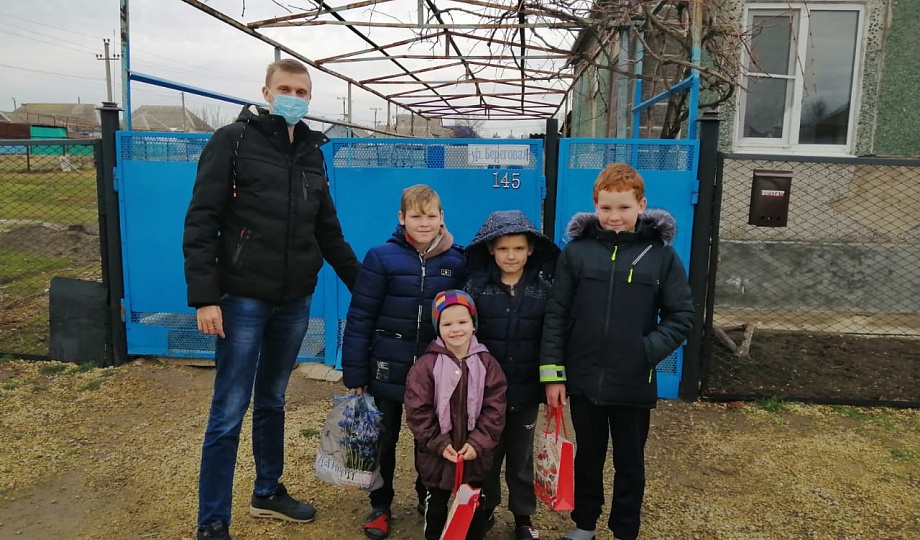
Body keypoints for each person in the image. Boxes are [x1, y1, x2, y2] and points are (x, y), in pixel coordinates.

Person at [183, 58, 360, 540]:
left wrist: (365, 286)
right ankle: (212, 522)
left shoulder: (312, 152)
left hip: (293, 300)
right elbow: (201, 220)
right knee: (228, 410)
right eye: (285, 89)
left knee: (273, 399)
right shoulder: (233, 141)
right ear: (266, 93)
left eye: (302, 92)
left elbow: (328, 230)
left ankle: (267, 491)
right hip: (241, 298)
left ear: (309, 97)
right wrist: (205, 297)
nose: (293, 98)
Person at [539, 163, 694, 540]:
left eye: (624, 207)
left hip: (633, 381)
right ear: (595, 205)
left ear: (641, 205)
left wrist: (645, 350)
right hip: (584, 379)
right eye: (606, 207)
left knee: (630, 464)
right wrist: (553, 374)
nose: (614, 216)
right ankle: (584, 525)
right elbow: (557, 314)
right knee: (588, 458)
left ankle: (625, 530)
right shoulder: (576, 252)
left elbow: (681, 316)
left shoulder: (661, 255)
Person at [341, 184, 465, 539]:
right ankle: (380, 505)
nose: (424, 223)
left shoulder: (457, 261)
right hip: (386, 368)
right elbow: (361, 316)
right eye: (416, 216)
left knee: (429, 439)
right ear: (401, 218)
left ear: (442, 217)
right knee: (384, 440)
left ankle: (428, 497)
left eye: (431, 216)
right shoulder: (381, 258)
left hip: (434, 372)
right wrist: (355, 372)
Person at [462, 210, 560, 540]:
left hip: (526, 391)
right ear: (491, 249)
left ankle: (523, 516)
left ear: (530, 249)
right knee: (486, 455)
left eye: (518, 248)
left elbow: (552, 338)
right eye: (503, 248)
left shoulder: (544, 291)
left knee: (521, 457)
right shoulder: (475, 289)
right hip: (485, 394)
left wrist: (553, 381)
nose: (511, 256)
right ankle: (484, 508)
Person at [404, 290, 508, 540]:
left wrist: (478, 442)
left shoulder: (487, 364)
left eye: (462, 321)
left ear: (474, 324)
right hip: (437, 457)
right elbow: (417, 410)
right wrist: (438, 443)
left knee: (472, 510)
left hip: (474, 457)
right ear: (437, 328)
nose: (456, 329)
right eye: (447, 324)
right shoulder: (425, 366)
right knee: (436, 510)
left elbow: (495, 408)